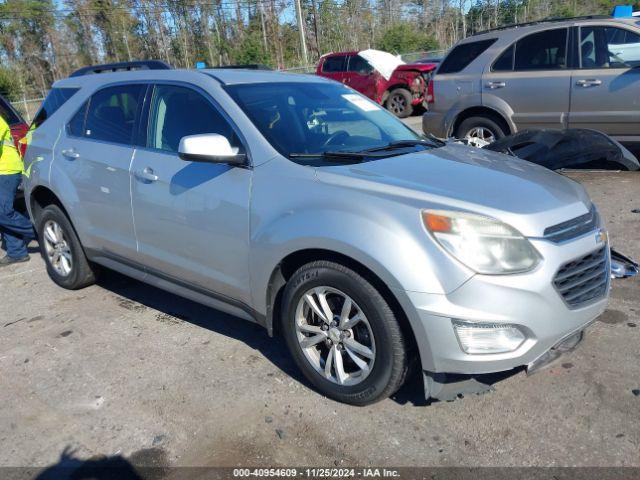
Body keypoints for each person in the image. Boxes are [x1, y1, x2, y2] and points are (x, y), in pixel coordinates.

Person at [0, 113, 35, 267]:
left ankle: (41, 232)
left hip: (7, 170)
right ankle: (16, 252)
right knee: (3, 212)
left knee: (3, 211)